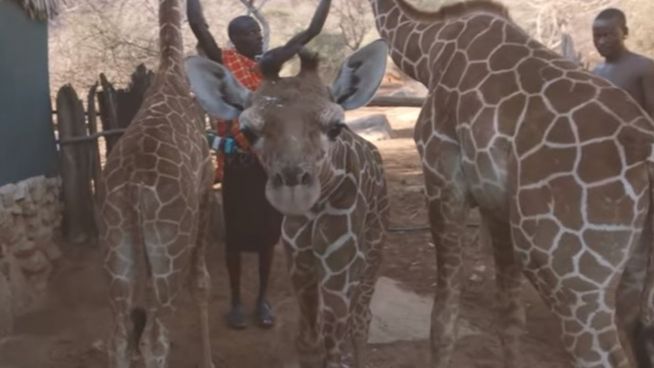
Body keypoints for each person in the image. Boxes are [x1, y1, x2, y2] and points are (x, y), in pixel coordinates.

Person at [188, 0, 283, 329]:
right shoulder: (224, 64)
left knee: (268, 236)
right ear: (236, 39)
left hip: (267, 166)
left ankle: (263, 300)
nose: (258, 38)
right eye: (251, 33)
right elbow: (198, 26)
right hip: (237, 166)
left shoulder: (266, 70)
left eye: (258, 32)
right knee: (236, 238)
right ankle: (236, 302)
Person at [592, 8, 654, 117]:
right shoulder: (595, 74)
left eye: (607, 35)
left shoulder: (644, 67)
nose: (601, 42)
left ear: (625, 32)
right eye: (597, 36)